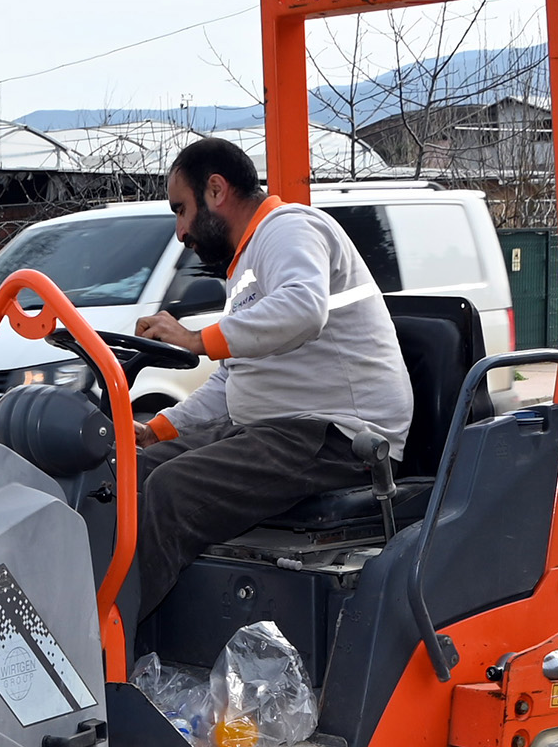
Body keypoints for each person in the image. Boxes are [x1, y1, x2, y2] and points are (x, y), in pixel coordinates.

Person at [119, 138, 409, 621]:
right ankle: (96, 614)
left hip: (338, 436)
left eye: (181, 209)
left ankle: (111, 641)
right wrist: (159, 429)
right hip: (279, 429)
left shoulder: (290, 229)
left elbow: (304, 309)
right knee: (131, 469)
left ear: (216, 190)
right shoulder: (247, 266)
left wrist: (195, 339)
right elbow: (234, 378)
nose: (180, 231)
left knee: (170, 490)